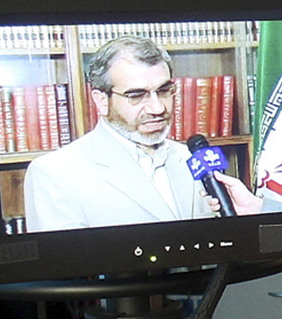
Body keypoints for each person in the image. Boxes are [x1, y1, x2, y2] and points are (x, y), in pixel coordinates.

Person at [26, 36, 258, 231]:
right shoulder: (55, 174)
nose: (157, 108)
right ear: (101, 101)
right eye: (137, 95)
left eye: (164, 91)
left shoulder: (192, 158)